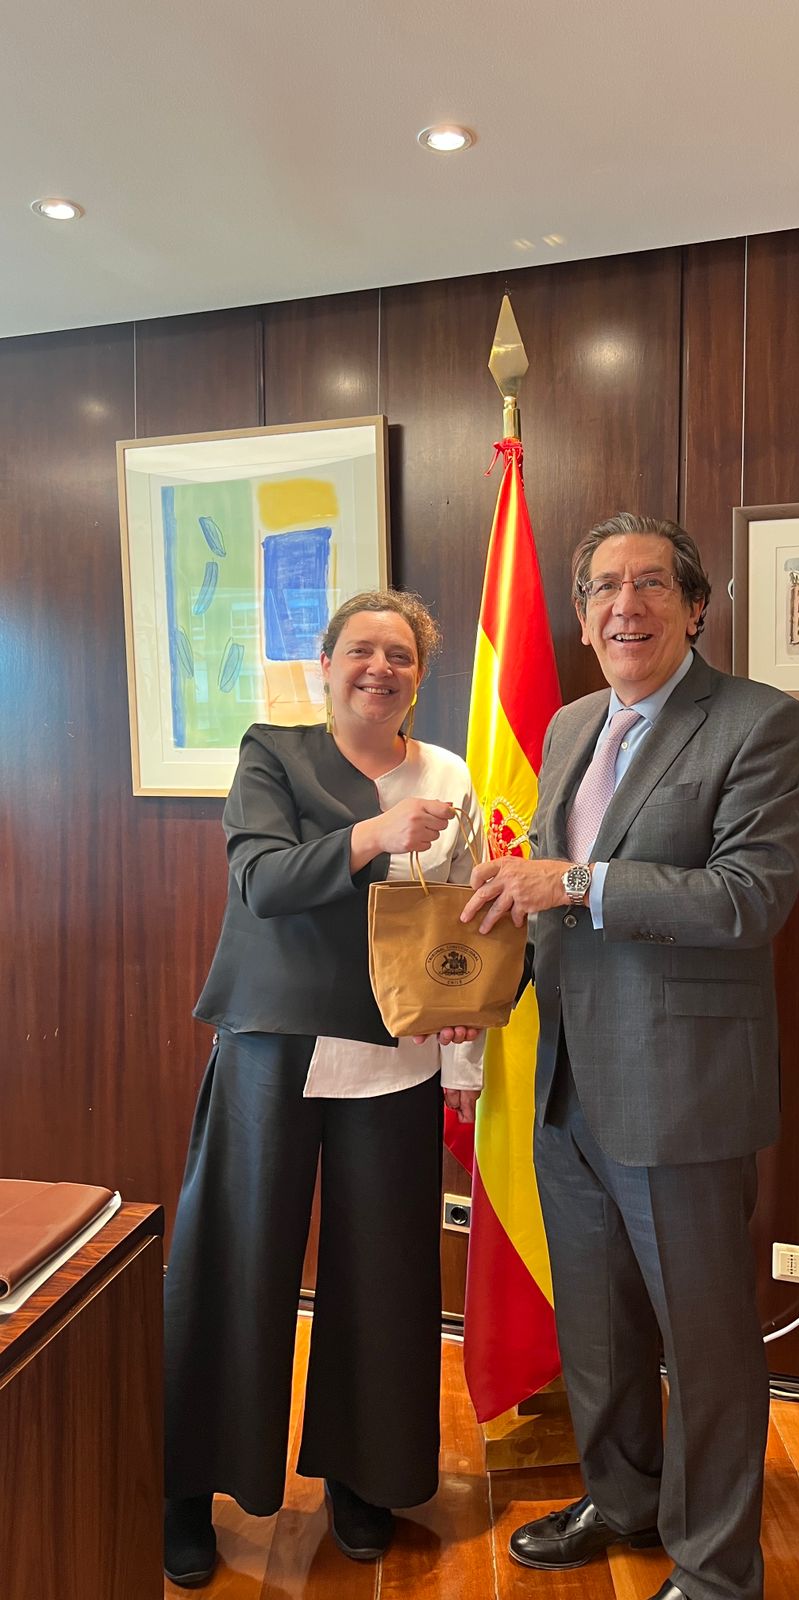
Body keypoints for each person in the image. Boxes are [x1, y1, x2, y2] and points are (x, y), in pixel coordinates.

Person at [461, 514, 799, 1600]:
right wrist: (477, 996)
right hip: (566, 1082)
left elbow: (749, 898)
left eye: (652, 583)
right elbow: (537, 900)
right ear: (580, 618)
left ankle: (715, 1569)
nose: (627, 606)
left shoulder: (758, 722)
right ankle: (622, 1502)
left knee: (705, 1346)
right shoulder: (571, 724)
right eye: (604, 588)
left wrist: (578, 882)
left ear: (695, 606)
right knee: (600, 1328)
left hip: (683, 1095)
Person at [163, 589, 483, 1588]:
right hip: (275, 1044)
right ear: (327, 663)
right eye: (361, 650)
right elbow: (262, 880)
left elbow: (463, 915)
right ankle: (191, 1485)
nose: (379, 668)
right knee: (237, 1263)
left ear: (419, 675)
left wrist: (465, 1038)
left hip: (398, 1056)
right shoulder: (274, 753)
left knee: (385, 1275)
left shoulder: (450, 773)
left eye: (400, 655)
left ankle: (364, 1476)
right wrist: (379, 833)